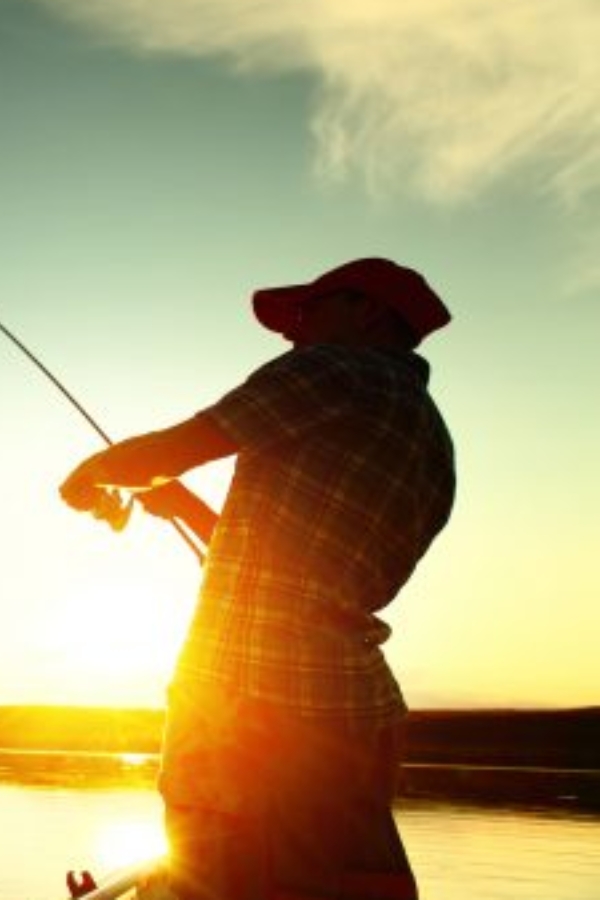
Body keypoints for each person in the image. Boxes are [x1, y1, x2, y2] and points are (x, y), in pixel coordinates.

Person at [59, 258, 456, 900]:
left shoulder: (331, 369)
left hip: (251, 704)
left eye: (310, 311)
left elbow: (175, 447)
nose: (293, 333)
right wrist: (183, 503)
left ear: (369, 312)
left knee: (220, 882)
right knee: (327, 885)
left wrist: (91, 473)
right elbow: (301, 570)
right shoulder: (433, 440)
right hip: (357, 713)